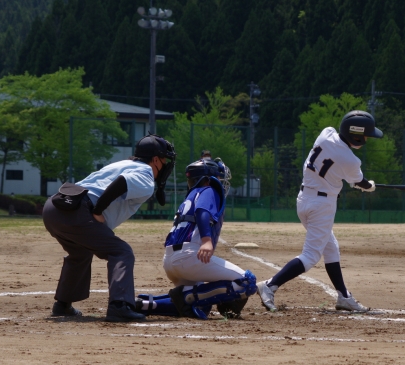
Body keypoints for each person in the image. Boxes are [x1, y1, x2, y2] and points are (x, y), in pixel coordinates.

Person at [256, 110, 383, 313]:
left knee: (331, 247)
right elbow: (359, 181)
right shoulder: (351, 161)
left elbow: (339, 170)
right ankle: (270, 285)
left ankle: (344, 296)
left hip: (304, 199)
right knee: (310, 256)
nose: (367, 139)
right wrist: (369, 186)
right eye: (366, 135)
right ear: (356, 136)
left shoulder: (326, 133)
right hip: (321, 206)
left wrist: (360, 183)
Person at [43, 134, 176, 322]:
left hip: (53, 208)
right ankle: (120, 306)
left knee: (81, 252)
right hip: (77, 211)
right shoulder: (146, 174)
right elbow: (122, 182)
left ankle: (63, 305)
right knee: (121, 251)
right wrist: (98, 210)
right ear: (155, 160)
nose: (165, 166)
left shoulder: (122, 164)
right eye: (164, 160)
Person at [135, 158, 256, 319]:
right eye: (218, 177)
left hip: (170, 260)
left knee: (201, 305)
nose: (220, 181)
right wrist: (206, 240)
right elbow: (202, 211)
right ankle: (184, 297)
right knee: (247, 281)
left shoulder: (191, 195)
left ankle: (147, 304)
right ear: (207, 179)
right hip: (188, 257)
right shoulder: (208, 190)